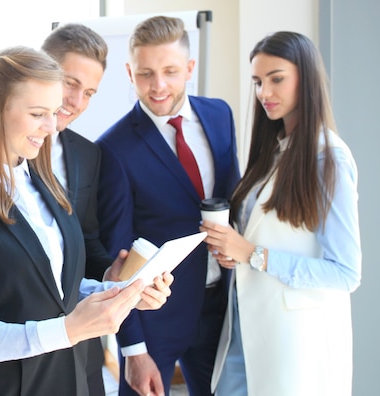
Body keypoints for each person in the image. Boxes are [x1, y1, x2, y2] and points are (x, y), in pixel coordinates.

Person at [0, 46, 173, 396]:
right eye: (37, 113)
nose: (51, 125)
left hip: (73, 380)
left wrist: (124, 293)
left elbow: (58, 291)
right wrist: (69, 329)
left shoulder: (42, 183)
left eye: (53, 112)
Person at [201, 31, 362, 396]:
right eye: (258, 82)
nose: (264, 93)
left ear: (305, 78)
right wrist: (234, 252)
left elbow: (346, 272)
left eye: (277, 79)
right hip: (246, 327)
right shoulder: (273, 152)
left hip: (294, 340)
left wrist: (253, 255)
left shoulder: (328, 158)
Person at [96, 15, 240, 396]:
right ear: (129, 72)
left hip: (220, 308)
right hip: (154, 318)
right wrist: (133, 351)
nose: (158, 86)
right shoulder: (113, 149)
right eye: (145, 74)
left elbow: (234, 198)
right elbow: (118, 254)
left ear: (190, 68)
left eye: (171, 72)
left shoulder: (220, 116)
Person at [42, 23, 114, 395]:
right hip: (12, 347)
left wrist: (116, 273)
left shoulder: (87, 154)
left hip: (82, 347)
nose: (77, 102)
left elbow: (86, 240)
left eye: (89, 92)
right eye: (70, 83)